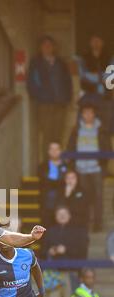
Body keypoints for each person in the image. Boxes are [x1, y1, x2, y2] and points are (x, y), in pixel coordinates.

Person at [67, 103, 111, 231]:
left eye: (90, 112)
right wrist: (72, 165)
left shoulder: (101, 129)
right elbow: (70, 147)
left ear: (94, 114)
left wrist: (102, 164)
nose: (88, 115)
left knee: (98, 197)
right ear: (82, 114)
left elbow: (107, 147)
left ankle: (98, 224)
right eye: (85, 113)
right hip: (80, 169)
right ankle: (85, 222)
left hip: (96, 169)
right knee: (84, 197)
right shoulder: (76, 129)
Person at [27, 35, 72, 158]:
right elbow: (32, 82)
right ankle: (47, 166)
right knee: (47, 136)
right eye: (44, 45)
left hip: (60, 104)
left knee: (58, 135)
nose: (47, 47)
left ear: (54, 47)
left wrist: (67, 98)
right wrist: (39, 97)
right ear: (40, 48)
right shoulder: (36, 62)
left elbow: (67, 81)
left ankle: (57, 163)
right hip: (45, 105)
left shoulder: (61, 63)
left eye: (50, 45)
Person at [77, 34, 114, 133]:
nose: (96, 43)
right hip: (89, 97)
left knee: (106, 128)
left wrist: (95, 76)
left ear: (103, 43)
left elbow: (110, 78)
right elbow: (84, 77)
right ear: (90, 43)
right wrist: (101, 77)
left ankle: (106, 148)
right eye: (94, 40)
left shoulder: (110, 58)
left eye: (99, 40)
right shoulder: (84, 59)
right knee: (88, 126)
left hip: (105, 97)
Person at [38, 142, 68, 227]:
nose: (54, 151)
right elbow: (44, 182)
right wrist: (59, 182)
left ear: (61, 151)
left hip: (62, 203)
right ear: (48, 151)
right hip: (47, 202)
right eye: (52, 149)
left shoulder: (67, 166)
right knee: (46, 228)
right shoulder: (42, 167)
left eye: (57, 149)